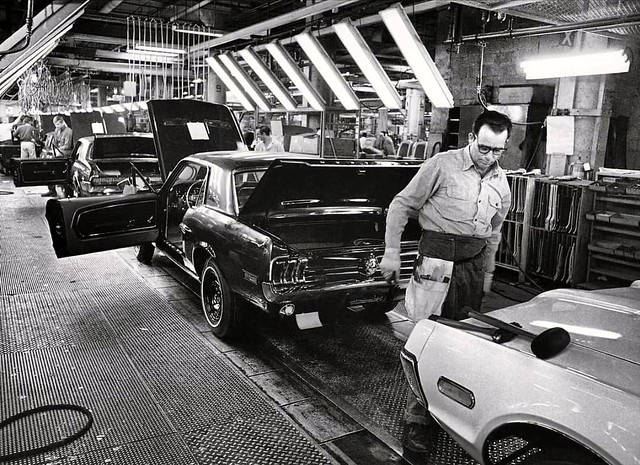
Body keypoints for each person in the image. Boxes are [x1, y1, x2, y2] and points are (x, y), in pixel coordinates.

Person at [379, 110, 512, 461]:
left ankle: (451, 410)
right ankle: (418, 420)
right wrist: (392, 253)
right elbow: (401, 205)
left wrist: (487, 275)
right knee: (425, 341)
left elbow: (495, 232)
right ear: (472, 138)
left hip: (473, 264)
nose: (490, 157)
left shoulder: (501, 181)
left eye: (498, 151)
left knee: (464, 341)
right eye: (485, 148)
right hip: (436, 261)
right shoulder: (442, 165)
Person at [41, 115, 73, 197]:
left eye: (58, 124)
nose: (57, 126)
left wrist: (57, 149)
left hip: (65, 152)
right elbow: (55, 141)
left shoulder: (68, 131)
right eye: (55, 125)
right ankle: (51, 189)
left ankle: (65, 190)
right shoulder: (57, 130)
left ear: (62, 123)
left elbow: (67, 146)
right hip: (57, 151)